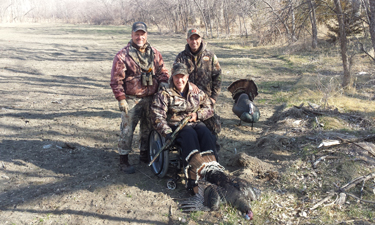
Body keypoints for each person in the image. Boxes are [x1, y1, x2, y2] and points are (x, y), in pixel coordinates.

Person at [110, 22, 169, 174]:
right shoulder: (123, 55)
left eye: (142, 34)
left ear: (146, 35)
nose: (139, 37)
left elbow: (163, 71)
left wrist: (163, 83)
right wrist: (121, 98)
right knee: (127, 130)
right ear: (132, 35)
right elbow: (116, 80)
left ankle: (145, 154)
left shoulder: (155, 53)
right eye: (137, 34)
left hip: (152, 98)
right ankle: (123, 160)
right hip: (132, 99)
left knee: (148, 128)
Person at [151, 63, 217, 192]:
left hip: (195, 122)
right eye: (177, 77)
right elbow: (157, 115)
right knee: (189, 136)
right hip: (176, 125)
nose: (179, 80)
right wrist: (167, 132)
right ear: (172, 77)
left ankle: (212, 172)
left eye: (182, 77)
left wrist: (197, 114)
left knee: (206, 134)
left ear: (187, 77)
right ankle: (193, 179)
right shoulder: (164, 94)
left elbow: (209, 107)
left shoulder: (196, 91)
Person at [174, 28, 222, 150]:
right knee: (189, 128)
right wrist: (189, 84)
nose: (194, 41)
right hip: (187, 101)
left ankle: (211, 152)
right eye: (191, 38)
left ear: (200, 39)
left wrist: (213, 98)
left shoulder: (210, 56)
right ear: (187, 40)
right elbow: (175, 77)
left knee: (212, 128)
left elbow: (218, 77)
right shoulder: (181, 57)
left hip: (206, 100)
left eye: (196, 38)